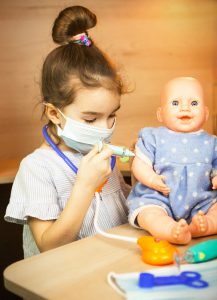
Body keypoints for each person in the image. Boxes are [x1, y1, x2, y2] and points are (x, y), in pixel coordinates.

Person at [5, 6, 131, 258]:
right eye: (91, 118)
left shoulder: (104, 156)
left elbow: (123, 208)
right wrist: (85, 185)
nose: (105, 129)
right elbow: (49, 246)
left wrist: (145, 177)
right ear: (54, 113)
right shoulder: (37, 168)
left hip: (111, 269)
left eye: (112, 115)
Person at [127, 76, 217, 244]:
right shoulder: (152, 136)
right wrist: (151, 179)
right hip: (159, 197)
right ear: (160, 114)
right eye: (175, 103)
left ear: (205, 114)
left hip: (202, 200)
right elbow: (139, 164)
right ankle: (169, 230)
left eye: (194, 103)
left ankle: (205, 226)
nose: (185, 108)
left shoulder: (212, 142)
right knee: (149, 214)